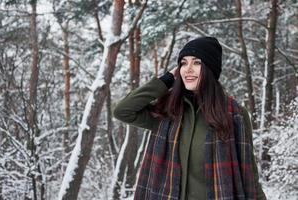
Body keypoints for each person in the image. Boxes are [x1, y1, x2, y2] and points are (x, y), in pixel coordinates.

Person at [113, 37, 267, 200]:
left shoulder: (234, 114)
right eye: (183, 63)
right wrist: (166, 80)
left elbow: (249, 176)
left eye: (196, 63)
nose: (188, 69)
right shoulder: (168, 110)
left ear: (210, 68)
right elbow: (123, 110)